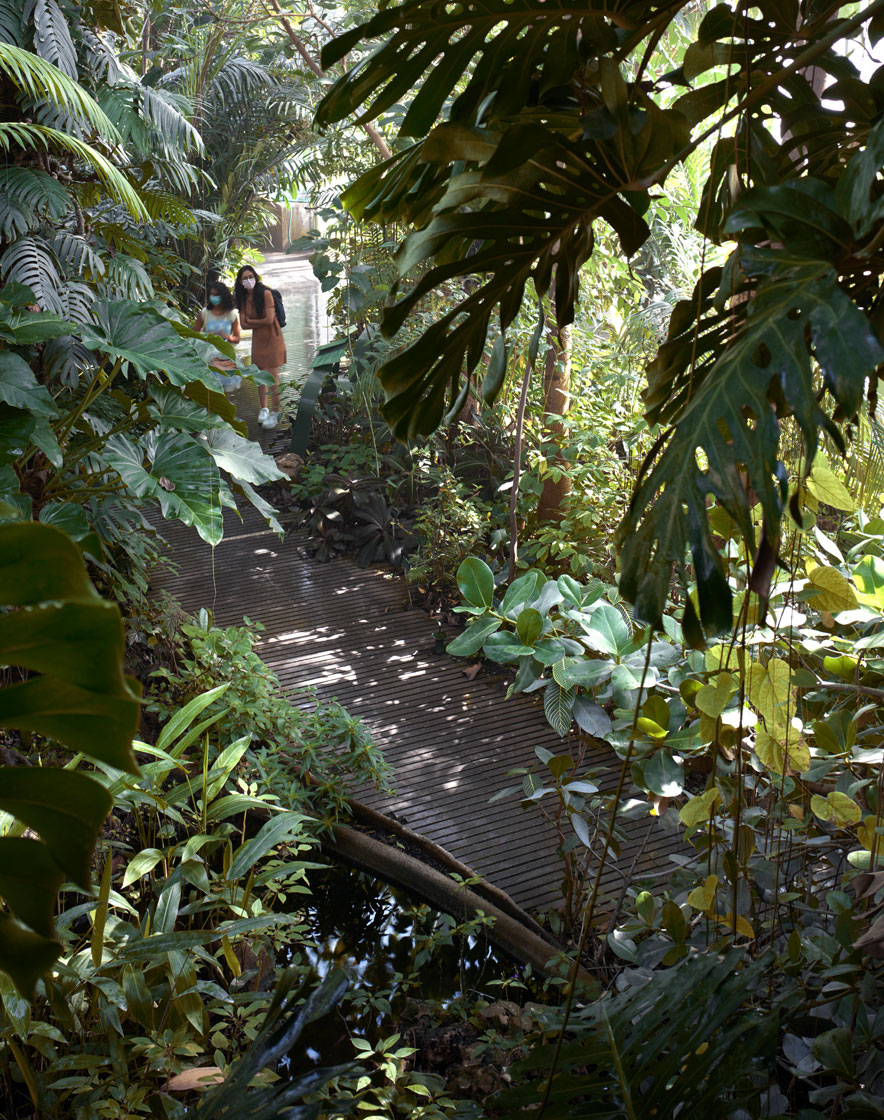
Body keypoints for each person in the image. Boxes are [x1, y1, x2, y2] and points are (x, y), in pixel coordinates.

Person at [234, 264, 285, 429]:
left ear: (255, 277)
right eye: (245, 278)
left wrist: (252, 322)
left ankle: (276, 411)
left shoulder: (266, 294)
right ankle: (264, 408)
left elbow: (269, 320)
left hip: (273, 338)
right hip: (258, 341)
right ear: (240, 282)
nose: (249, 281)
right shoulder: (242, 299)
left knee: (272, 376)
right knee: (259, 375)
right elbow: (243, 324)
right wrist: (254, 322)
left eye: (251, 277)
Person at [193, 280, 242, 396]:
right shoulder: (204, 313)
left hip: (226, 356)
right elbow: (194, 335)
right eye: (211, 295)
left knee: (226, 390)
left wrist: (226, 336)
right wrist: (207, 337)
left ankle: (224, 413)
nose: (213, 297)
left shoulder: (232, 314)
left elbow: (237, 338)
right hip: (207, 357)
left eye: (216, 295)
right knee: (210, 391)